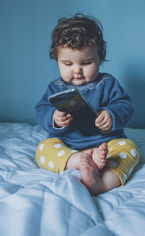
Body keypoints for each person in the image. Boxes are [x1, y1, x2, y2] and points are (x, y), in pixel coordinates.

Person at [35, 14, 139, 195]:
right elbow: (41, 109)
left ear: (100, 58)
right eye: (67, 63)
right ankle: (78, 160)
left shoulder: (107, 83)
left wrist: (111, 114)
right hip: (67, 144)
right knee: (43, 149)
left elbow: (125, 105)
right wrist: (54, 118)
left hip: (106, 145)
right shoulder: (55, 87)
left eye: (86, 63)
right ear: (57, 60)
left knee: (130, 149)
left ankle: (102, 183)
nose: (76, 70)